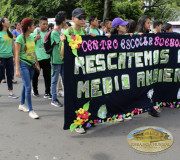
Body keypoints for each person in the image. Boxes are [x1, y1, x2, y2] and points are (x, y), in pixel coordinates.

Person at [60, 8, 88, 134]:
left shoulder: (84, 31)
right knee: (74, 96)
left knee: (84, 94)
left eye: (84, 17)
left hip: (82, 69)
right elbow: (62, 55)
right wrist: (63, 43)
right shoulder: (67, 32)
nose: (83, 20)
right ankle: (77, 123)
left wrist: (92, 38)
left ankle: (85, 119)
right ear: (73, 19)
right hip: (71, 71)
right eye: (80, 18)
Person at [15, 18, 40, 119]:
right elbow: (16, 55)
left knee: (26, 86)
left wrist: (37, 64)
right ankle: (31, 110)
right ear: (28, 27)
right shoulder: (19, 38)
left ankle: (21, 104)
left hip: (32, 65)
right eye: (33, 25)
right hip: (23, 64)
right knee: (29, 87)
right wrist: (17, 69)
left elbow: (33, 52)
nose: (34, 27)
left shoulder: (31, 37)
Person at [136, 15, 160, 117]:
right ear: (142, 23)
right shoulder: (137, 34)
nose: (149, 25)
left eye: (150, 23)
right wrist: (136, 36)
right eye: (148, 23)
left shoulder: (149, 34)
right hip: (139, 67)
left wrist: (154, 35)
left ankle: (150, 107)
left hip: (148, 67)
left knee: (149, 87)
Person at [31, 17, 51, 99]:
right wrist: (36, 38)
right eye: (44, 24)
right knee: (35, 76)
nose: (46, 25)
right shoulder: (36, 32)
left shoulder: (49, 33)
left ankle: (47, 92)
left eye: (46, 24)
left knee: (47, 76)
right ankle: (35, 90)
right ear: (40, 24)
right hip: (37, 58)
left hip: (47, 57)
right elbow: (29, 44)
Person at [50, 11, 67, 107]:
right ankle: (54, 99)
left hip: (62, 60)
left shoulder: (60, 31)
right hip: (56, 60)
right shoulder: (54, 32)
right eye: (65, 20)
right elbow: (61, 43)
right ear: (63, 22)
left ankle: (67, 96)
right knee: (55, 80)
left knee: (65, 79)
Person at [0, 17, 18, 98]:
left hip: (9, 57)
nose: (9, 21)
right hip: (1, 58)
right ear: (2, 23)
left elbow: (13, 46)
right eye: (7, 20)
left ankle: (11, 92)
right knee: (0, 76)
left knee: (10, 75)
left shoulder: (10, 33)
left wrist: (14, 56)